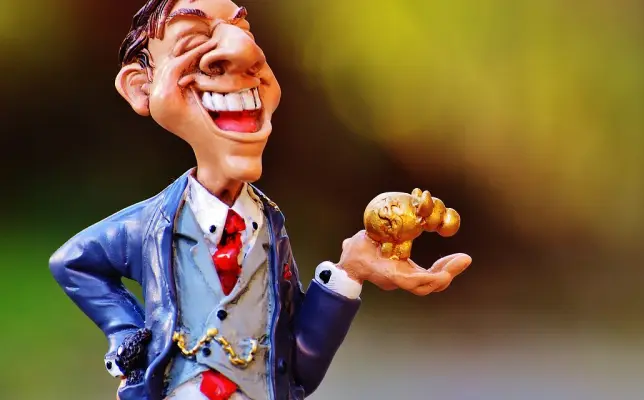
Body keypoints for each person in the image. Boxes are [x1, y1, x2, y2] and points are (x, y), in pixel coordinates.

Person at [48, 0, 472, 399]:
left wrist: (351, 271)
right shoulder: (150, 227)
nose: (243, 52)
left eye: (243, 32)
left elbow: (300, 364)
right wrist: (129, 340)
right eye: (194, 40)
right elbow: (73, 263)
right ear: (142, 88)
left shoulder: (270, 228)